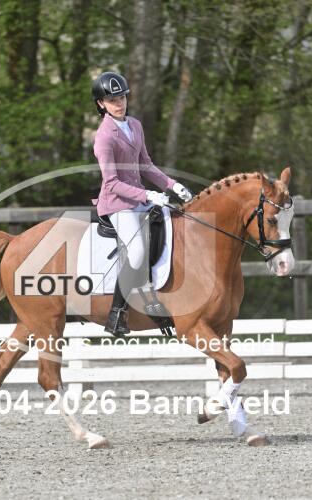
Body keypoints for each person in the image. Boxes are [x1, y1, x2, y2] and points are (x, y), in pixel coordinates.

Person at [91, 71, 193, 336]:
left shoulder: (135, 125)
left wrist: (172, 185)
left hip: (139, 200)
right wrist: (147, 195)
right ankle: (117, 314)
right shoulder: (104, 137)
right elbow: (111, 183)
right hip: (117, 204)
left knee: (174, 228)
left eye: (122, 98)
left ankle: (159, 296)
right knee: (136, 250)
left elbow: (145, 165)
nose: (119, 103)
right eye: (112, 100)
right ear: (101, 103)